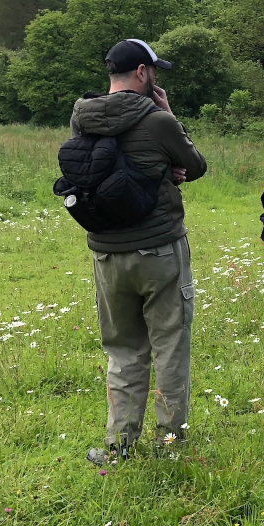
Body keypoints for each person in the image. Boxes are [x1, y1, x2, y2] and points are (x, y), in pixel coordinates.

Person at [72, 39, 207, 464]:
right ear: (143, 74)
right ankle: (169, 446)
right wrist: (169, 117)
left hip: (106, 253)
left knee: (124, 350)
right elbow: (197, 165)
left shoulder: (83, 117)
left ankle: (119, 447)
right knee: (169, 345)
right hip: (159, 249)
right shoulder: (156, 119)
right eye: (155, 72)